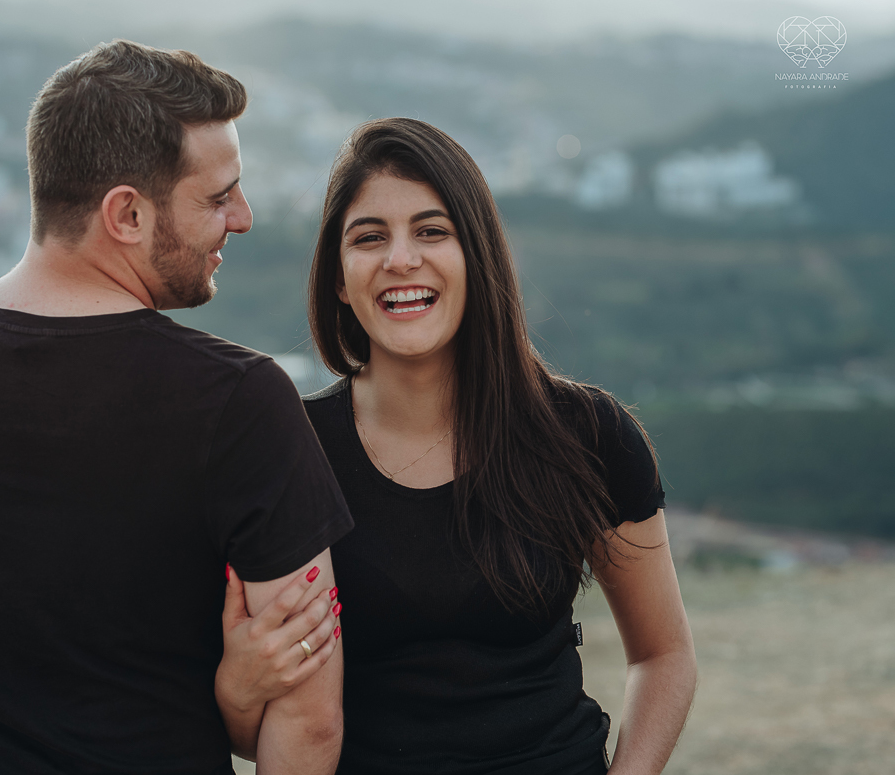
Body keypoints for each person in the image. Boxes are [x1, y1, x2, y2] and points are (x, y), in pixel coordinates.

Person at [0, 40, 353, 775]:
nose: (243, 217)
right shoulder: (239, 399)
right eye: (217, 196)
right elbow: (311, 717)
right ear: (126, 214)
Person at [215, 118, 697, 774]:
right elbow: (269, 731)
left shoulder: (588, 433)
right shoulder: (291, 451)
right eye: (369, 237)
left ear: (478, 254)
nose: (400, 259)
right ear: (338, 278)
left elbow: (664, 655)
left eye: (432, 231)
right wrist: (238, 688)